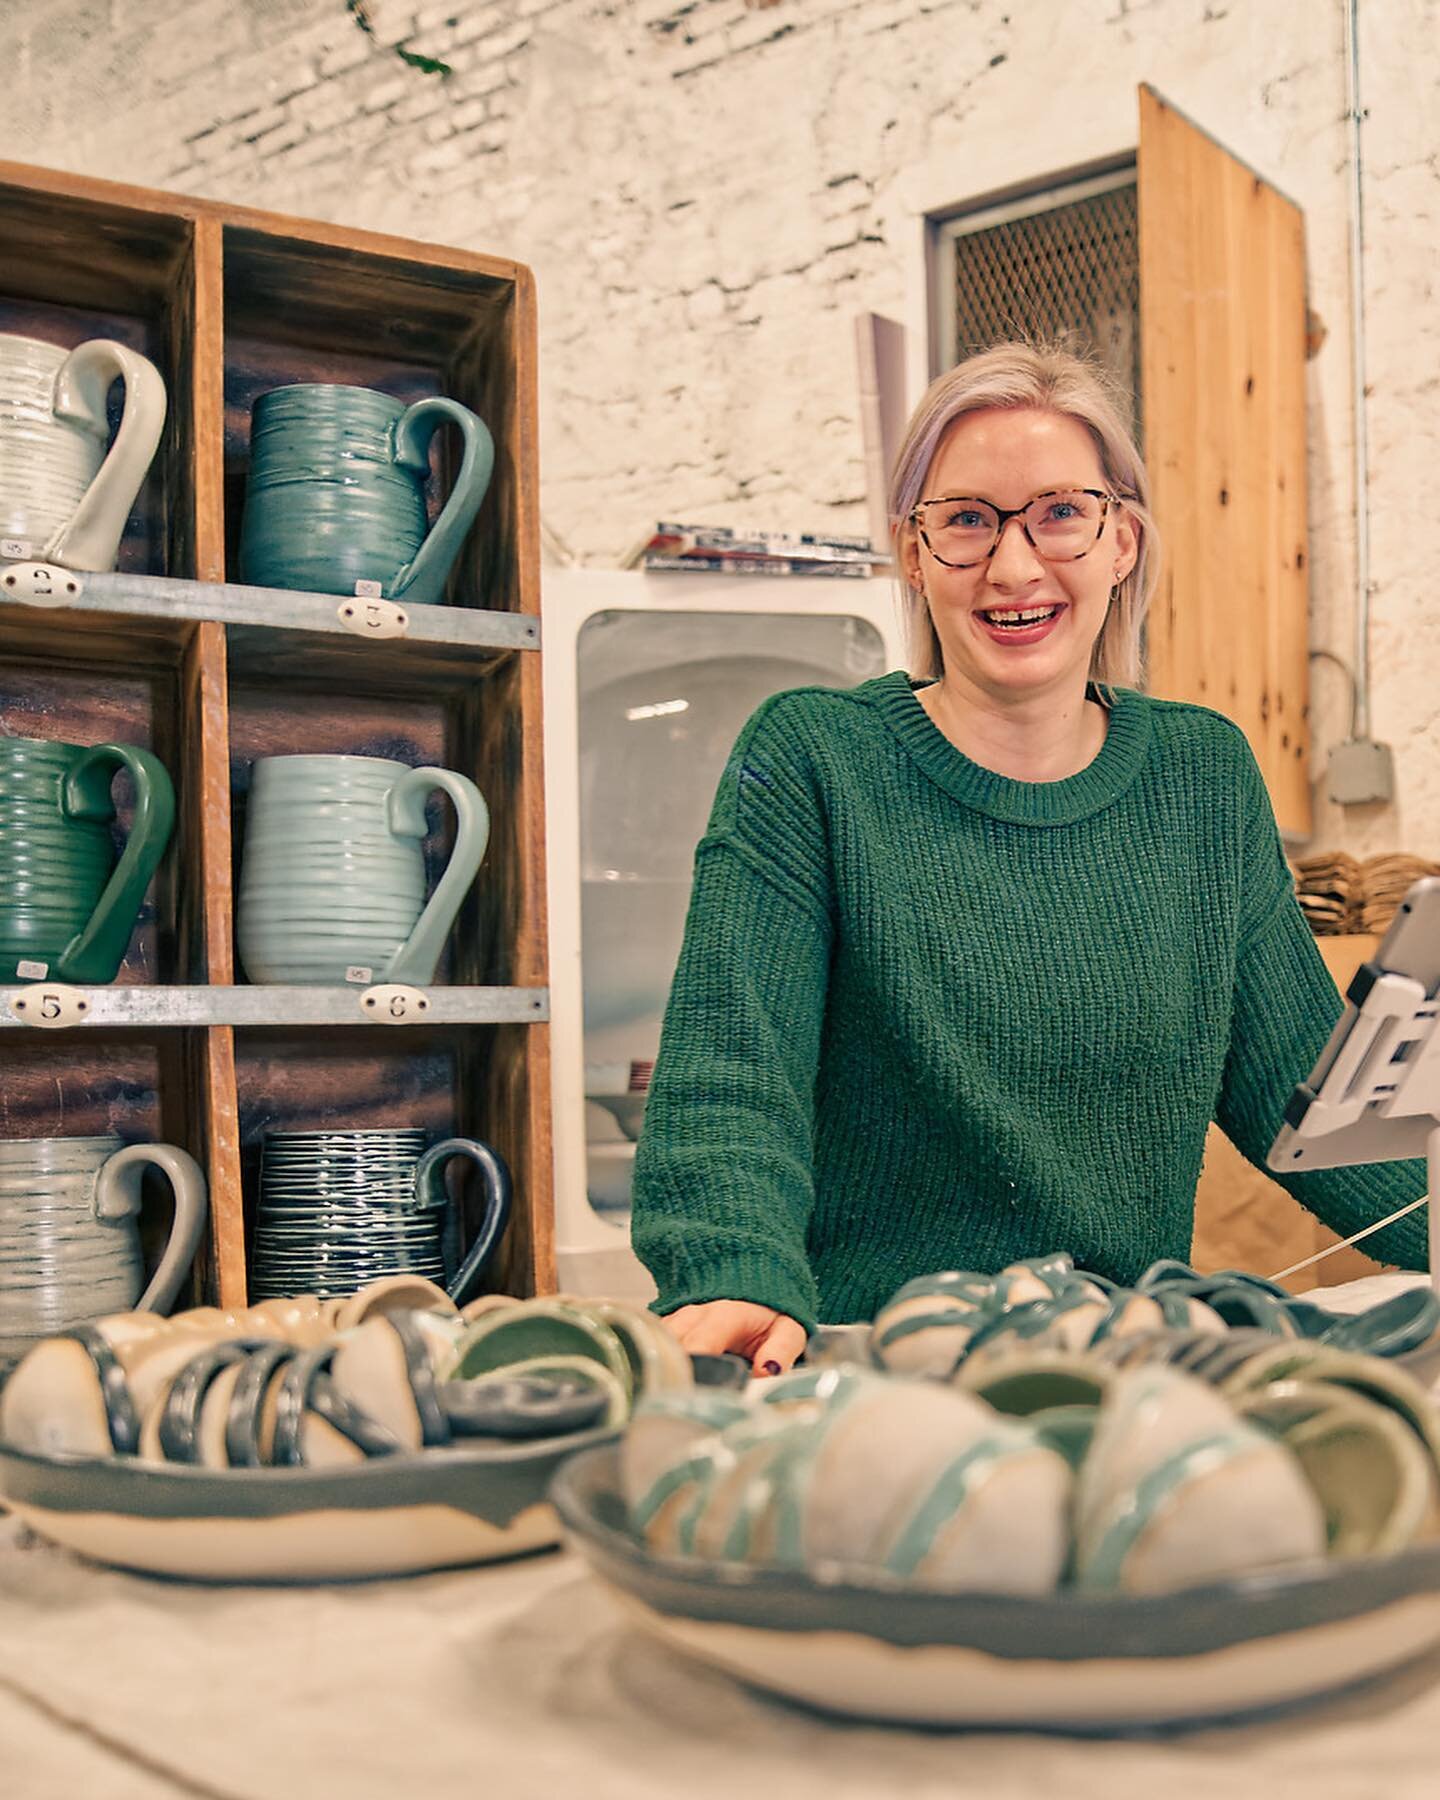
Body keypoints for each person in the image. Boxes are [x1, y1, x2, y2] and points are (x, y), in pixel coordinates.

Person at [629, 339, 1428, 1376]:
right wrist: (730, 1268)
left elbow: (1317, 1097)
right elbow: (735, 1066)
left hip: (1118, 1378)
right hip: (870, 1375)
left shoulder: (1203, 775)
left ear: (1122, 542)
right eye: (965, 520)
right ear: (913, 555)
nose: (1014, 567)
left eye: (1060, 513)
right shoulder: (815, 759)